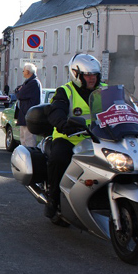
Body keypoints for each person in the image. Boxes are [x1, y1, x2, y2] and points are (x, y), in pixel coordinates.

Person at [45, 53, 105, 219]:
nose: (92, 78)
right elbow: (56, 111)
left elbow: (121, 107)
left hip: (99, 140)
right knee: (59, 158)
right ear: (76, 75)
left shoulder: (105, 90)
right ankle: (53, 199)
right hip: (70, 138)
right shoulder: (65, 91)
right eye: (88, 75)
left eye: (95, 75)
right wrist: (63, 124)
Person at [15, 63, 42, 147]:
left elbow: (20, 95)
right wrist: (19, 90)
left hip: (29, 115)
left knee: (29, 140)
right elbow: (19, 92)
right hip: (25, 114)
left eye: (23, 70)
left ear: (27, 71)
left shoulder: (33, 82)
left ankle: (29, 155)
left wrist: (18, 91)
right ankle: (24, 154)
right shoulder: (29, 82)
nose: (23, 72)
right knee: (23, 139)